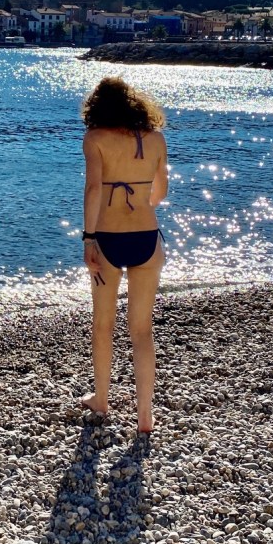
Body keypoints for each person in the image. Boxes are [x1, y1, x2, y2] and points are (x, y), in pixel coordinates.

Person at [79, 76, 168, 433]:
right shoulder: (155, 139)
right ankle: (145, 415)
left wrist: (88, 238)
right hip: (147, 237)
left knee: (103, 324)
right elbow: (160, 193)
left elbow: (93, 189)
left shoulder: (95, 138)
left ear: (97, 107)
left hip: (107, 238)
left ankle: (101, 399)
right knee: (142, 329)